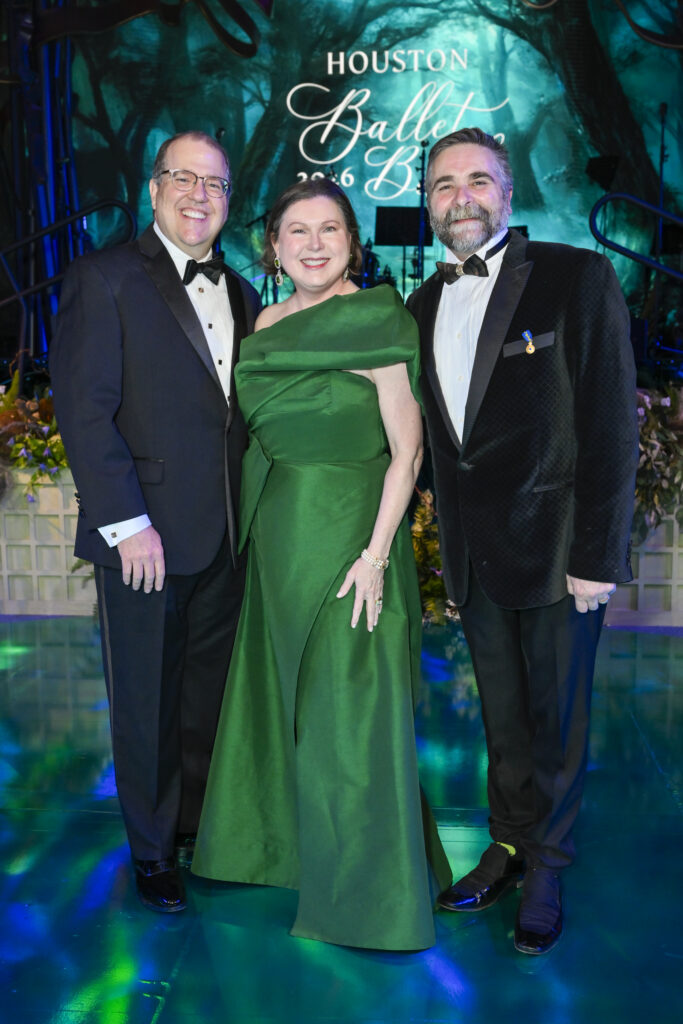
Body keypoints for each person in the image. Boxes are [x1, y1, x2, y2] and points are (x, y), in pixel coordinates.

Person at [191, 178, 452, 950]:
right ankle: (286, 853)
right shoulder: (264, 321)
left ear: (352, 243)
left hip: (351, 539)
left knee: (353, 713)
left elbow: (406, 453)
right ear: (271, 246)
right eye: (295, 230)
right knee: (286, 702)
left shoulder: (379, 315)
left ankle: (373, 895)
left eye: (329, 229)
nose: (311, 243)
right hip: (279, 540)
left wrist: (375, 557)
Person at [406, 127, 638, 955]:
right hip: (474, 554)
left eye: (476, 180)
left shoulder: (577, 277)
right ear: (427, 201)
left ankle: (548, 861)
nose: (459, 196)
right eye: (442, 184)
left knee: (556, 717)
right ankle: (506, 844)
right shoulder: (423, 303)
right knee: (502, 718)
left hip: (557, 550)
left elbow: (611, 425)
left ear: (507, 192)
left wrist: (596, 558)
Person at [50, 131, 261, 913]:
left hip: (223, 538)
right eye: (183, 178)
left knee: (207, 696)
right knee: (145, 699)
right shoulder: (101, 278)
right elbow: (84, 411)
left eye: (214, 183)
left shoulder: (242, 293)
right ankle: (150, 851)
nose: (198, 194)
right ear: (153, 188)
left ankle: (198, 829)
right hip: (143, 539)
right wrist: (125, 524)